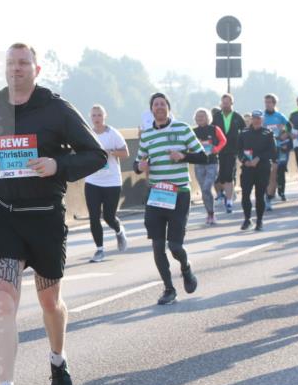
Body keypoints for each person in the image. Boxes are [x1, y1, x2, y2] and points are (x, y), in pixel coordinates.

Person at [0, 43, 106, 385]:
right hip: (4, 215)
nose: (16, 69)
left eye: (23, 63)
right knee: (5, 302)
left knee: (49, 303)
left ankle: (58, 360)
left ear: (37, 69)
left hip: (45, 216)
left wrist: (56, 164)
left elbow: (96, 155)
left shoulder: (56, 109)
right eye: (11, 63)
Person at [135, 93, 205, 305]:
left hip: (179, 193)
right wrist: (140, 166)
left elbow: (203, 156)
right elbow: (137, 163)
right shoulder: (146, 135)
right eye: (155, 104)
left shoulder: (183, 129)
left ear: (168, 107)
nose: (159, 107)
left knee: (174, 246)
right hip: (157, 194)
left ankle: (186, 268)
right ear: (151, 110)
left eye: (162, 104)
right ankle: (169, 289)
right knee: (157, 246)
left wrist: (183, 156)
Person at [84, 104, 129, 261]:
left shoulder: (113, 133)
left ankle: (119, 231)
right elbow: (81, 152)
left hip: (112, 181)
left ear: (105, 116)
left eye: (99, 115)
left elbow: (125, 152)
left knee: (109, 216)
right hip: (92, 180)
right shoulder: (87, 134)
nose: (96, 118)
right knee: (94, 216)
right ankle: (100, 250)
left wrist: (110, 152)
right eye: (94, 115)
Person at [237, 110, 278, 231]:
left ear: (262, 120)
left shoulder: (268, 133)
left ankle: (259, 221)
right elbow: (239, 150)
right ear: (251, 119)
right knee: (245, 195)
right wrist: (245, 161)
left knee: (259, 195)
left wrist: (259, 158)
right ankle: (247, 219)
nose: (256, 120)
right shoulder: (243, 133)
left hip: (262, 168)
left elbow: (272, 151)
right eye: (254, 118)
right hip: (247, 168)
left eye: (259, 118)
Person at [192, 108, 228, 225]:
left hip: (212, 162)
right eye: (198, 116)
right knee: (204, 190)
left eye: (202, 116)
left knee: (207, 187)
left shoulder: (214, 129)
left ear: (208, 118)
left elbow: (223, 140)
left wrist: (216, 149)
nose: (200, 118)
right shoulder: (193, 131)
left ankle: (211, 213)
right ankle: (210, 213)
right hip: (199, 163)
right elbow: (187, 144)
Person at [212, 93, 245, 214]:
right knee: (219, 176)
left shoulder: (237, 116)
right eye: (223, 103)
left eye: (227, 102)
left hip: (232, 150)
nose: (225, 105)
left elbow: (244, 131)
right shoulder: (216, 116)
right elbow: (211, 130)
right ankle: (223, 194)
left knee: (229, 175)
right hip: (218, 150)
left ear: (232, 103)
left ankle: (229, 201)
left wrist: (242, 146)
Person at [262, 94, 291, 211]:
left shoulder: (279, 116)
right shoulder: (261, 116)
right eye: (266, 102)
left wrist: (285, 134)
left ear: (274, 103)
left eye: (270, 102)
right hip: (264, 148)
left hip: (277, 147)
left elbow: (290, 127)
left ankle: (269, 197)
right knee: (265, 174)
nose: (267, 104)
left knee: (274, 172)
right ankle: (267, 195)